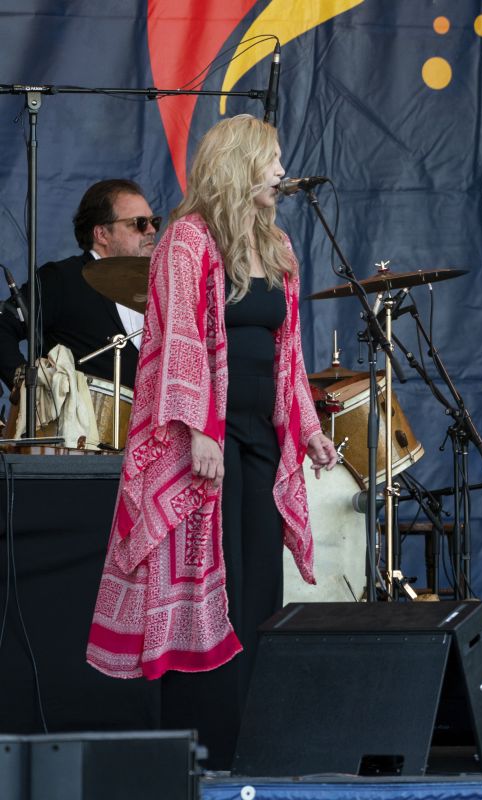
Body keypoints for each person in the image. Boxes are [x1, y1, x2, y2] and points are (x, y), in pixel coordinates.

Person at [85, 115, 339, 770]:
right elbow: (179, 337)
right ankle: (207, 746)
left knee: (259, 590)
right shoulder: (187, 239)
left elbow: (289, 351)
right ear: (240, 164)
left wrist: (309, 429)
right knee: (207, 586)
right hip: (204, 441)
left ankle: (252, 743)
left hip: (262, 439)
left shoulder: (277, 246)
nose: (282, 171)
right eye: (272, 159)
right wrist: (200, 428)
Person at [0, 179, 158, 391]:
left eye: (154, 222)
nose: (151, 230)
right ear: (102, 234)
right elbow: (3, 325)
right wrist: (27, 390)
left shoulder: (158, 291)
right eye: (140, 223)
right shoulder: (63, 279)